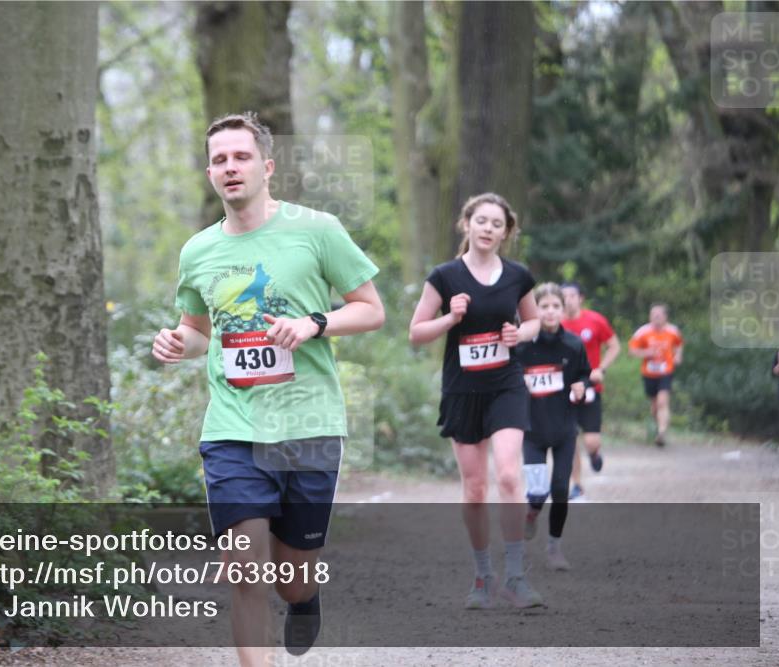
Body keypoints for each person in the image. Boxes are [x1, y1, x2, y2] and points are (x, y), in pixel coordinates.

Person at [152, 112, 384, 665]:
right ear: (209, 172)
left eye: (241, 156)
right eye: (219, 160)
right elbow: (198, 334)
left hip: (308, 424)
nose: (230, 168)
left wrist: (314, 324)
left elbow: (371, 310)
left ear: (267, 166)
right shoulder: (198, 252)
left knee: (291, 580)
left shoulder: (317, 230)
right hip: (233, 426)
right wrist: (173, 344)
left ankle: (306, 599)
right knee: (246, 572)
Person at [409, 192, 542, 609]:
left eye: (496, 224)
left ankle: (517, 577)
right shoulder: (445, 277)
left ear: (507, 232)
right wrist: (450, 318)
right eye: (481, 221)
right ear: (466, 224)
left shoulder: (518, 275)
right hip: (463, 391)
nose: (488, 229)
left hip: (506, 385)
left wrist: (519, 335)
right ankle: (483, 577)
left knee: (507, 475)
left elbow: (534, 321)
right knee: (475, 488)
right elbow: (416, 332)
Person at [514, 283, 591, 570]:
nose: (549, 312)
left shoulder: (572, 344)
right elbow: (507, 374)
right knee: (537, 492)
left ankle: (554, 548)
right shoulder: (522, 346)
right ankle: (532, 513)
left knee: (560, 489)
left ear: (563, 310)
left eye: (555, 306)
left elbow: (584, 373)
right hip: (531, 429)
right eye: (543, 306)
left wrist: (581, 386)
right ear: (535, 310)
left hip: (563, 428)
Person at [561, 282, 620, 500]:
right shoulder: (554, 323)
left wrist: (601, 369)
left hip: (591, 387)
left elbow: (614, 345)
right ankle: (576, 484)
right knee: (569, 438)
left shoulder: (595, 320)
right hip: (564, 391)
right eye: (563, 296)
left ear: (580, 298)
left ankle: (595, 454)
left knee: (591, 441)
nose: (567, 299)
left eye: (572, 295)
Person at [628, 303, 683, 447]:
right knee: (654, 406)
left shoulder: (673, 331)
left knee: (662, 402)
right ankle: (660, 426)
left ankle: (662, 432)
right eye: (652, 315)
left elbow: (678, 344)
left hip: (666, 371)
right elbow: (632, 351)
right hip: (649, 373)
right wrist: (646, 353)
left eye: (658, 315)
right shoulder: (642, 332)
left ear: (665, 316)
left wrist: (678, 356)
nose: (655, 318)